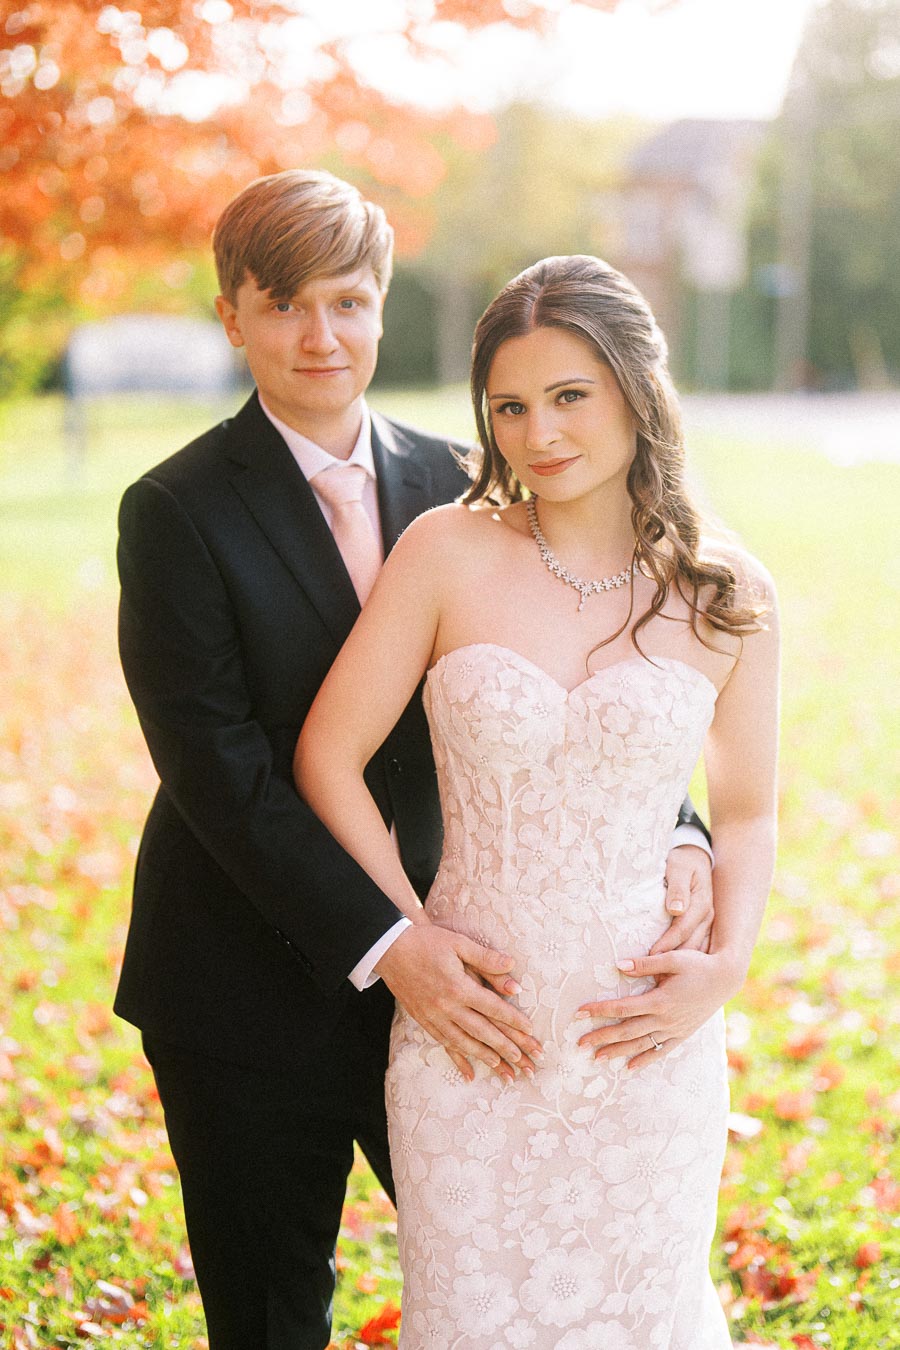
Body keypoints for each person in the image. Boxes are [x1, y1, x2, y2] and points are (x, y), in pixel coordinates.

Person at [115, 168, 714, 1350]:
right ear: (232, 315)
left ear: (383, 306)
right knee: (273, 1317)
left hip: (475, 983)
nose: (319, 333)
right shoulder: (173, 511)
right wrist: (394, 946)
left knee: (502, 1290)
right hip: (247, 982)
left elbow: (595, 658)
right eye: (282, 303)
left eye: (345, 300)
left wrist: (682, 827)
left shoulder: (468, 481)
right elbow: (219, 774)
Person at [295, 254, 779, 1348]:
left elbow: (745, 809)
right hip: (473, 1030)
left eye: (570, 396)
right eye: (509, 406)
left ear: (636, 388)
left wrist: (728, 963)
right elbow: (329, 756)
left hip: (644, 1042)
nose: (537, 433)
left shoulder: (725, 594)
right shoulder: (447, 553)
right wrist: (411, 940)